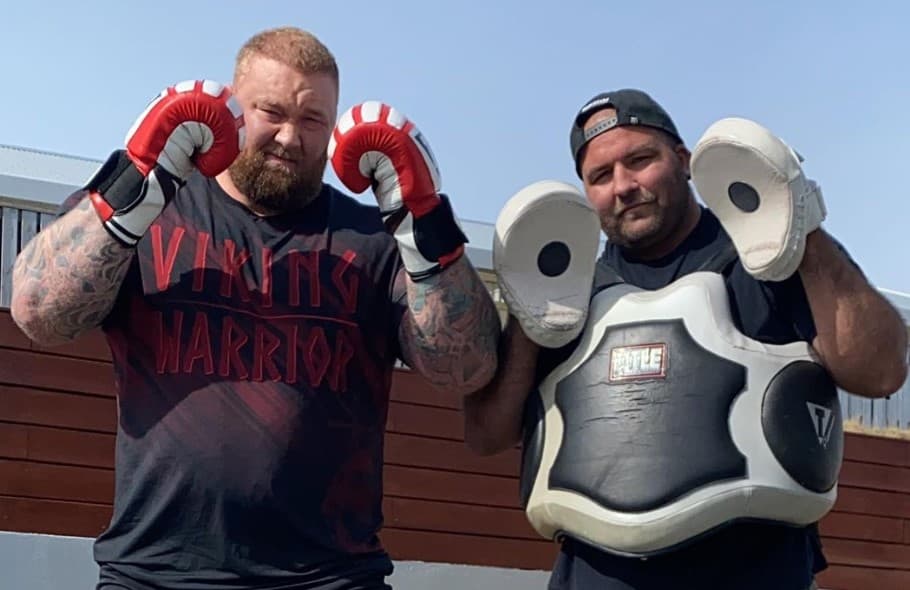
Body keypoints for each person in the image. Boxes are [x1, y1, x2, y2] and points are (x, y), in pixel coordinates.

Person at [10, 26, 500, 590]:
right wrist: (132, 188)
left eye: (313, 119)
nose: (290, 138)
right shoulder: (152, 216)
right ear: (233, 109)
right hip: (154, 574)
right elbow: (38, 312)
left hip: (331, 577)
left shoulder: (374, 240)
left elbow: (464, 369)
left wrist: (425, 224)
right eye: (271, 111)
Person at [463, 88, 908, 590]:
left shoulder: (769, 255)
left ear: (684, 160)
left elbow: (881, 371)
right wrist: (530, 318)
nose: (624, 186)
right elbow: (486, 436)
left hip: (755, 569)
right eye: (600, 176)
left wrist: (802, 226)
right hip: (596, 571)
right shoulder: (567, 290)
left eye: (640, 160)